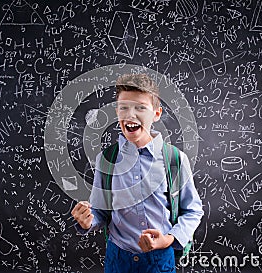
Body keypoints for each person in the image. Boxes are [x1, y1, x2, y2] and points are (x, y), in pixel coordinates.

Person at [71, 73, 204, 273]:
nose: (131, 115)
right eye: (124, 107)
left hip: (159, 262)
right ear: (117, 112)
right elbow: (101, 211)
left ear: (156, 114)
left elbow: (193, 211)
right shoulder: (107, 160)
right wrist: (88, 221)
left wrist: (167, 239)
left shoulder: (175, 160)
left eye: (140, 108)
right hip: (118, 261)